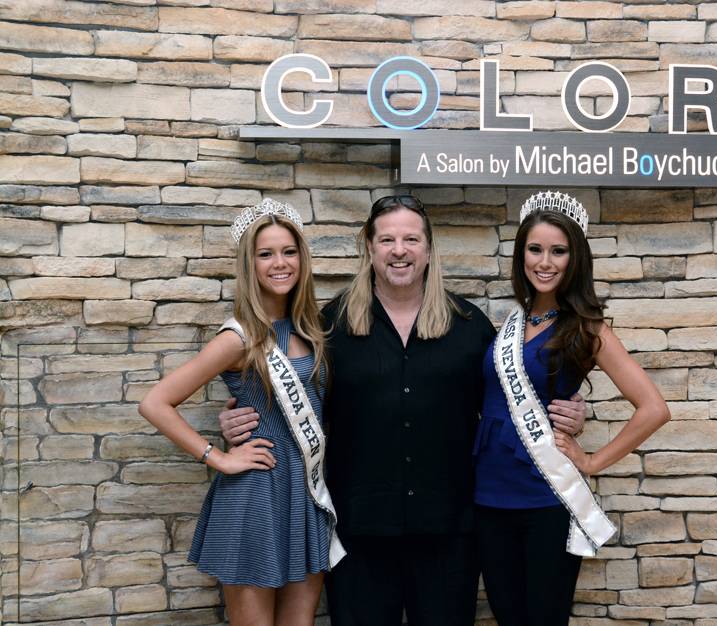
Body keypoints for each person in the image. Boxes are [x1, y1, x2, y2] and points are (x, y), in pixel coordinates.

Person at [218, 194, 587, 626]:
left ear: (429, 249)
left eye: (411, 239)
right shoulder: (327, 327)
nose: (399, 250)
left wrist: (568, 411)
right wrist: (239, 417)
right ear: (369, 248)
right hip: (359, 533)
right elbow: (295, 395)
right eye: (387, 239)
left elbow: (506, 401)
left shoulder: (469, 326)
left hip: (449, 533)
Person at [138, 198, 343, 626]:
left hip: (305, 494)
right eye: (265, 254)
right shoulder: (239, 339)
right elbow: (155, 403)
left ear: (302, 259)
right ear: (249, 264)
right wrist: (219, 457)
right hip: (255, 495)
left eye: (288, 252)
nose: (279, 263)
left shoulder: (313, 330)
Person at [473, 191, 671, 626]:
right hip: (488, 497)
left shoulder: (586, 326)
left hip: (546, 495)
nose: (545, 262)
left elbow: (653, 408)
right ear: (521, 254)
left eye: (558, 251)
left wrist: (594, 461)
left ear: (574, 258)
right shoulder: (510, 323)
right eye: (535, 249)